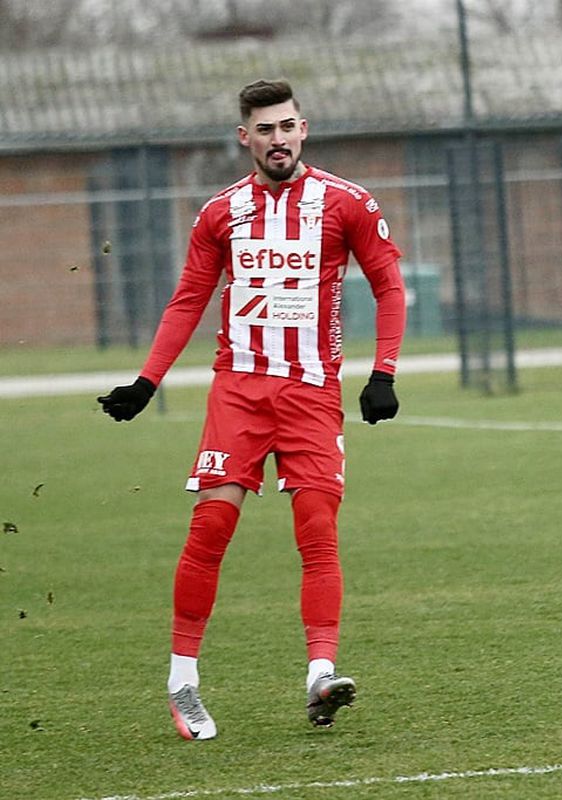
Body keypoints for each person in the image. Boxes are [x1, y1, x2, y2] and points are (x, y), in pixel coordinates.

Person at [97, 79, 406, 741]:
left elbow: (388, 284)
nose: (278, 139)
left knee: (317, 530)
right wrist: (146, 382)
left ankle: (320, 676)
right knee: (211, 528)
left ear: (304, 129)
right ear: (245, 137)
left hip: (311, 394)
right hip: (238, 390)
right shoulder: (220, 214)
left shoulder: (346, 203)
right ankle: (183, 681)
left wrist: (384, 372)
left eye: (287, 126)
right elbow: (187, 300)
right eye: (265, 130)